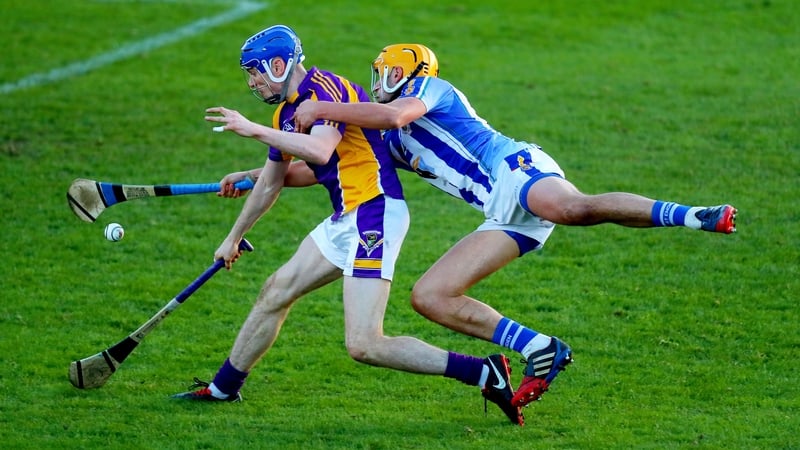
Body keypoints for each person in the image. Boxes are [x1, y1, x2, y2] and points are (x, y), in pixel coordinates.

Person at [288, 43, 738, 408]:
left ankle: (694, 215)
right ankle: (541, 348)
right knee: (430, 297)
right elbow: (325, 167)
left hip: (513, 169)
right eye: (376, 74)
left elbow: (393, 114)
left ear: (406, 73)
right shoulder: (390, 143)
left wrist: (323, 107)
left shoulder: (431, 88)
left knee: (574, 210)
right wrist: (258, 176)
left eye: (386, 74)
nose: (377, 84)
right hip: (499, 211)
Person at [172, 27, 526, 426]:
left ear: (278, 64)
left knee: (364, 344)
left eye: (254, 72)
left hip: (373, 213)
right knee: (275, 291)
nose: (251, 82)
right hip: (345, 217)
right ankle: (222, 388)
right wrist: (233, 237)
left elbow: (320, 149)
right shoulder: (283, 114)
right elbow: (273, 180)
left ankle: (484, 372)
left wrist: (252, 129)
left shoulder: (327, 90)